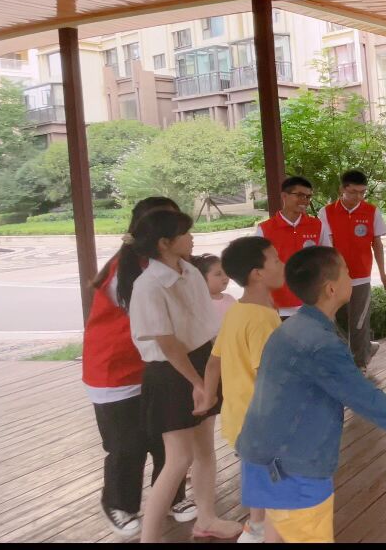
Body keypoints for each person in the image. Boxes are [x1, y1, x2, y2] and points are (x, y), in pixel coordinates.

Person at [237, 246, 386, 543]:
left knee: (277, 533)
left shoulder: (292, 328)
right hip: (292, 468)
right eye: (347, 272)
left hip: (262, 455)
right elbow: (364, 397)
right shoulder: (320, 344)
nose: (352, 277)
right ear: (331, 288)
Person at [124, 209, 241, 543]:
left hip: (201, 361)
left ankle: (206, 519)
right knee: (179, 459)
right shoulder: (148, 285)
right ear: (164, 243)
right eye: (185, 233)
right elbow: (168, 343)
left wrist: (211, 374)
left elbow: (205, 326)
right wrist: (198, 383)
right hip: (171, 371)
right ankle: (149, 538)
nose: (192, 238)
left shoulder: (188, 270)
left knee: (205, 449)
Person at [83, 197, 191, 538]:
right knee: (126, 445)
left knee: (165, 439)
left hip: (155, 367)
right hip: (115, 372)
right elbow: (161, 325)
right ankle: (119, 504)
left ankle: (172, 497)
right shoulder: (128, 270)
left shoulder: (167, 264)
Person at [197, 236, 286, 544]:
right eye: (276, 260)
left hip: (239, 418)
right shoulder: (262, 318)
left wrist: (208, 398)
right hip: (263, 422)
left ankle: (255, 527)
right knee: (278, 493)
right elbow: (268, 378)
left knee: (259, 477)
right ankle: (260, 532)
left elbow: (213, 363)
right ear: (257, 273)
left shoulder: (237, 310)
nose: (282, 264)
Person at [320, 170, 386, 368]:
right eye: (353, 192)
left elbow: (377, 244)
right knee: (339, 321)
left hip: (361, 277)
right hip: (336, 278)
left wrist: (382, 273)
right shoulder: (326, 212)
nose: (358, 197)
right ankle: (365, 348)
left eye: (362, 192)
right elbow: (328, 246)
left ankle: (360, 364)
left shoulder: (371, 211)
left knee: (359, 322)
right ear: (342, 189)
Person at [255, 176, 331, 320]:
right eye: (300, 195)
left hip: (312, 304)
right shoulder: (265, 229)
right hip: (278, 307)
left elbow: (328, 260)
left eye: (308, 197)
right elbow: (257, 267)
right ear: (284, 196)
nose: (305, 201)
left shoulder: (318, 226)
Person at [190, 254, 236, 320]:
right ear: (201, 278)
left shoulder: (230, 299)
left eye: (226, 272)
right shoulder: (198, 304)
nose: (225, 277)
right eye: (218, 274)